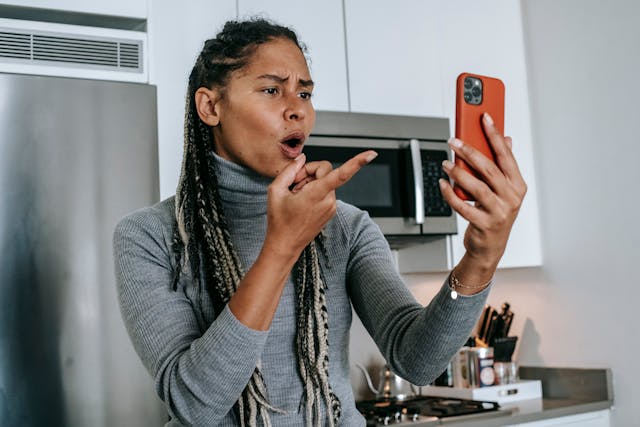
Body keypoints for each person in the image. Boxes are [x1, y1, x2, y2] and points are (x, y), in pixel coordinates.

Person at [113, 18, 526, 427]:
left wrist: (481, 258)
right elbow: (194, 405)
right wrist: (282, 247)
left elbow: (417, 360)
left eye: (305, 93)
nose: (297, 109)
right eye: (272, 90)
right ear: (211, 106)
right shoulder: (150, 236)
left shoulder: (345, 226)